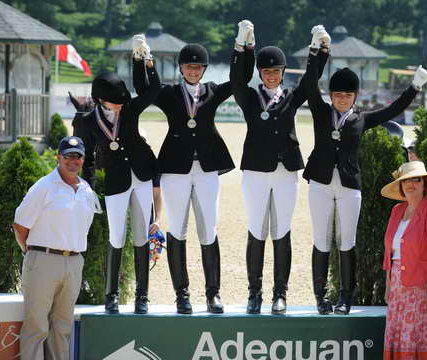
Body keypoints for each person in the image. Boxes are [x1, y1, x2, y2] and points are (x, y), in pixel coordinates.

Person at [303, 44, 427, 315]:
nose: (342, 99)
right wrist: (315, 53)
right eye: (337, 95)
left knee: (347, 240)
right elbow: (309, 84)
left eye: (347, 95)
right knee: (322, 239)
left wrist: (414, 87)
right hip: (320, 183)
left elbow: (394, 109)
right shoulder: (321, 112)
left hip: (349, 186)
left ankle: (346, 297)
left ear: (355, 96)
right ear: (331, 95)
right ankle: (320, 296)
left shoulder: (362, 119)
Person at [131, 34, 254, 314]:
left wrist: (244, 48)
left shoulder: (212, 91)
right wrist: (141, 60)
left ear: (204, 70)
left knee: (208, 228)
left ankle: (213, 294)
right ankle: (182, 295)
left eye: (198, 67)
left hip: (207, 168)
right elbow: (143, 87)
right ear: (181, 68)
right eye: (188, 67)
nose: (193, 71)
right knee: (177, 229)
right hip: (176, 169)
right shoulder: (170, 94)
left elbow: (241, 79)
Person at [230, 22, 329, 314]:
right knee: (256, 230)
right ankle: (254, 294)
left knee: (282, 230)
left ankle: (279, 294)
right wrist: (241, 46)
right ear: (260, 73)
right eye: (266, 72)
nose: (272, 76)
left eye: (276, 72)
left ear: (283, 72)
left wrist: (316, 49)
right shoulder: (248, 98)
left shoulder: (291, 97)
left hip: (286, 171)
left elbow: (311, 81)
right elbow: (237, 79)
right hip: (255, 172)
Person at [74, 50, 160, 315]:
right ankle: (111, 296)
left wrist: (144, 62)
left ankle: (142, 296)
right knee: (116, 235)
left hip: (142, 175)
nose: (121, 105)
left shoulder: (130, 106)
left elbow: (153, 89)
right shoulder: (87, 121)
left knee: (141, 236)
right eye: (115, 103)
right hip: (115, 181)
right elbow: (85, 158)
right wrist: (86, 187)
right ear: (101, 100)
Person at [13, 136, 100, 360]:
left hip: (74, 263)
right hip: (43, 260)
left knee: (62, 328)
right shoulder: (44, 186)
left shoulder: (87, 190)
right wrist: (31, 252)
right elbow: (20, 225)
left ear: (83, 160)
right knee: (37, 327)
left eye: (78, 156)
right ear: (58, 157)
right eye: (68, 156)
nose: (73, 160)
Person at [380, 161, 427, 359]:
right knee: (399, 335)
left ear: (425, 184)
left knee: (415, 337)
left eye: (416, 179)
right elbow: (389, 252)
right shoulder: (397, 210)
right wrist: (387, 284)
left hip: (422, 288)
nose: (410, 184)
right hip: (396, 286)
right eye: (406, 181)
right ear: (401, 186)